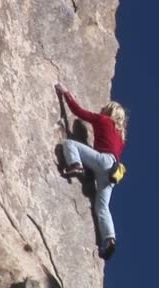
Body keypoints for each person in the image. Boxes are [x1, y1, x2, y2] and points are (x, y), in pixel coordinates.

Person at [54, 83, 127, 260]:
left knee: (69, 144)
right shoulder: (121, 137)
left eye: (104, 108)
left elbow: (78, 112)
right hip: (113, 173)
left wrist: (65, 93)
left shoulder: (102, 120)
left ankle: (75, 164)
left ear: (109, 111)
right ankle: (110, 239)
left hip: (103, 161)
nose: (101, 109)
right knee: (102, 207)